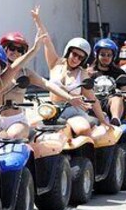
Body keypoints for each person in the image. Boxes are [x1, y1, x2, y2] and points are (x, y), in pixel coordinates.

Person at [0, 0, 87, 139]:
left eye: (20, 50)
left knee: (12, 136)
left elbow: (48, 84)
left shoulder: (26, 72)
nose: (15, 52)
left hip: (15, 120)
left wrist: (70, 98)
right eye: (11, 47)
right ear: (4, 48)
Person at [33, 8, 111, 137]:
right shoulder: (55, 63)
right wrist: (37, 19)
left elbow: (93, 99)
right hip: (52, 109)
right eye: (74, 54)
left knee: (82, 129)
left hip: (72, 111)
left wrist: (103, 121)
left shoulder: (83, 74)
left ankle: (85, 154)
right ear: (68, 52)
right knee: (32, 128)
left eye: (80, 57)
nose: (76, 59)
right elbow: (46, 40)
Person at [87, 38, 126, 126]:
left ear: (113, 57)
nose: (106, 57)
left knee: (117, 95)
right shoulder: (88, 72)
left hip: (111, 104)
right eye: (103, 54)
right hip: (93, 104)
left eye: (109, 55)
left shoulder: (119, 72)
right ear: (96, 55)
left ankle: (115, 120)